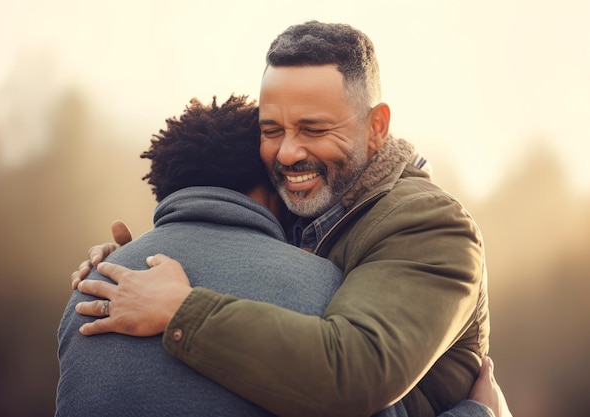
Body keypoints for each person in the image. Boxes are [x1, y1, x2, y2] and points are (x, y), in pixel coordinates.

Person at [75, 21, 493, 417]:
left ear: (376, 126)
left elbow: (354, 373)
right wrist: (136, 259)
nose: (288, 153)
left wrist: (182, 311)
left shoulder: (428, 223)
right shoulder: (302, 209)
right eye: (272, 130)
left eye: (313, 129)